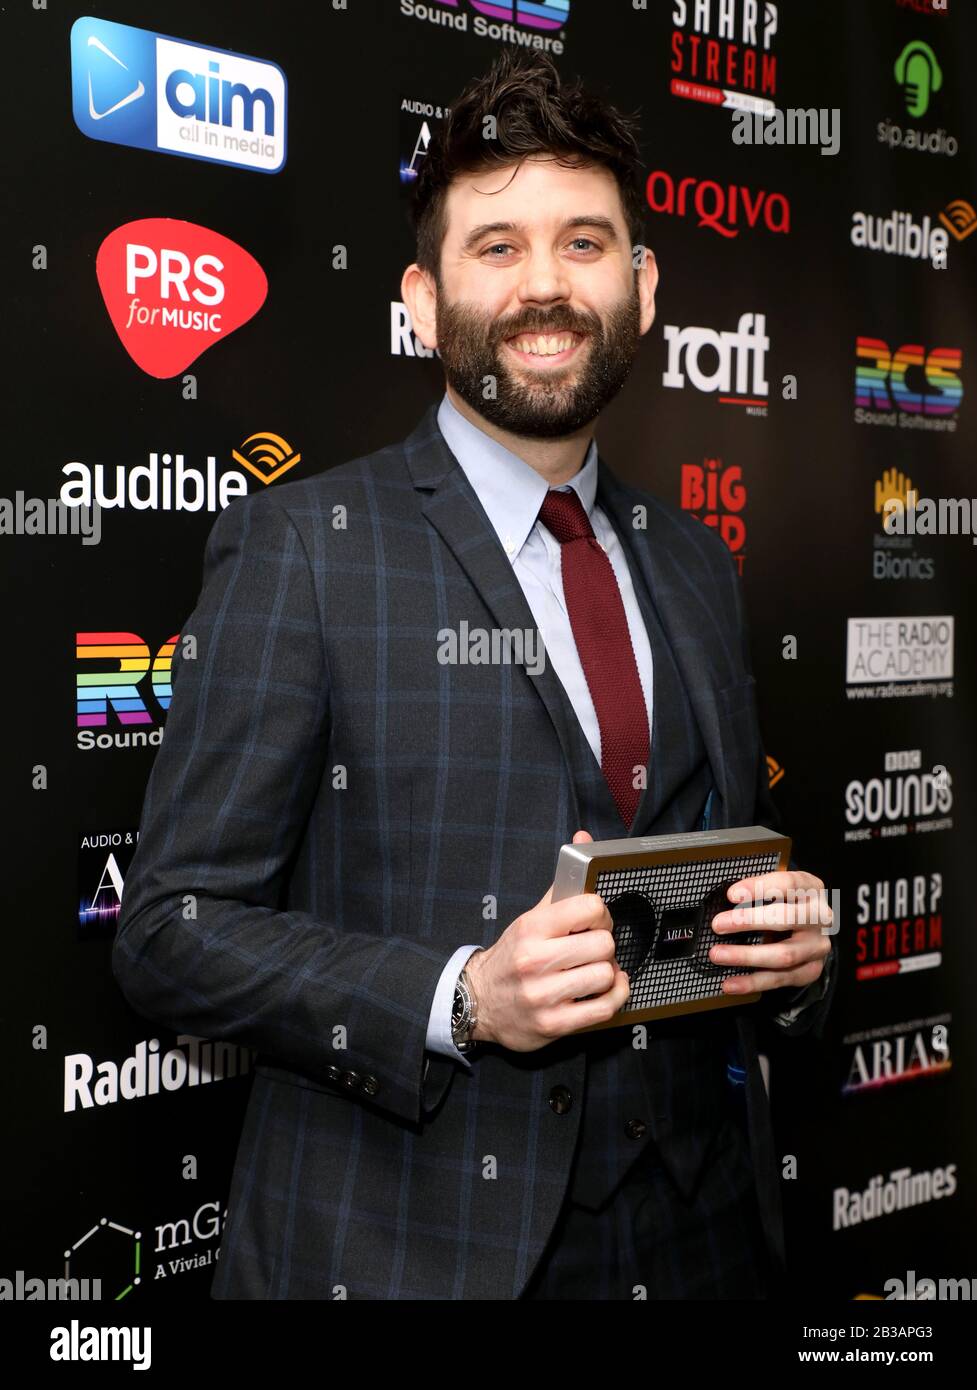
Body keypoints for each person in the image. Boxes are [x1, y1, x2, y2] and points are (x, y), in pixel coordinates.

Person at [112, 47, 836, 1301]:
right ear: (418, 298)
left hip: (704, 1234)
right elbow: (171, 933)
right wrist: (460, 996)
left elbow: (704, 885)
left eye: (584, 243)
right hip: (410, 1256)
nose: (544, 286)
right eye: (495, 246)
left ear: (644, 285)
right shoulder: (304, 550)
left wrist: (787, 963)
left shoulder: (698, 568)